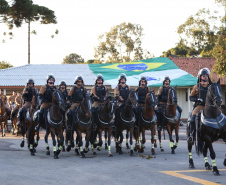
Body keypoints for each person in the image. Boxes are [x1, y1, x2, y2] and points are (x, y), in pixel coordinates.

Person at [188, 68, 211, 142]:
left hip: (209, 107)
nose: (205, 77)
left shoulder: (211, 86)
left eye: (206, 75)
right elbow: (191, 97)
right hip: (199, 107)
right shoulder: (196, 86)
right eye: (203, 75)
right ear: (200, 77)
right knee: (192, 120)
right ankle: (191, 135)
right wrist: (197, 99)